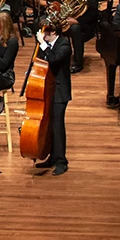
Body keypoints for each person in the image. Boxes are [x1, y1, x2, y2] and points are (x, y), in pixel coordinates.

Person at [34, 25, 72, 176]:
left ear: (54, 32)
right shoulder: (47, 45)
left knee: (57, 125)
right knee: (49, 125)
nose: (42, 35)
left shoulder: (64, 45)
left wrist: (42, 44)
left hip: (60, 92)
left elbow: (54, 60)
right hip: (46, 89)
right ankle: (52, 156)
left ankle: (61, 161)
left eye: (44, 32)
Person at [66, 0, 100, 74]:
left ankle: (78, 62)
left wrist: (77, 21)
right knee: (39, 21)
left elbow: (93, 12)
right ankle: (43, 58)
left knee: (75, 28)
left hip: (81, 21)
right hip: (63, 15)